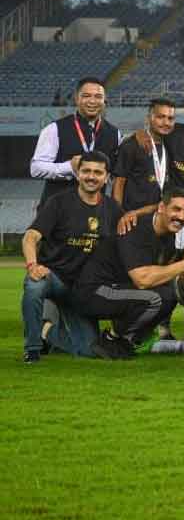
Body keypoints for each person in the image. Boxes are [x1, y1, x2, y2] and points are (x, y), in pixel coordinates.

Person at [71, 188, 184, 359]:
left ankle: (130, 340)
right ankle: (111, 339)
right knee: (156, 298)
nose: (181, 217)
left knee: (169, 295)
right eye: (176, 209)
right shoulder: (134, 228)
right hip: (93, 291)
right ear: (161, 208)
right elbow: (142, 280)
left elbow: (156, 274)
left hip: (119, 289)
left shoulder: (168, 235)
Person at [21, 151, 121, 363]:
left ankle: (47, 331)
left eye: (97, 172)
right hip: (54, 278)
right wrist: (32, 265)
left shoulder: (113, 209)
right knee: (34, 285)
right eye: (86, 171)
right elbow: (31, 236)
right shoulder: (58, 202)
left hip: (83, 289)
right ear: (77, 174)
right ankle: (32, 349)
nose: (91, 176)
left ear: (106, 177)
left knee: (88, 351)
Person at [32, 76, 121, 208]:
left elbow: (115, 173)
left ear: (104, 101)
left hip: (94, 210)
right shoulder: (55, 129)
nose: (92, 101)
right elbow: (36, 168)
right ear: (77, 99)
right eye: (86, 96)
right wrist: (69, 167)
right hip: (57, 210)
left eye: (98, 96)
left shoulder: (114, 133)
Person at [112, 98, 176, 212]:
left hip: (159, 216)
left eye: (170, 118)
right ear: (148, 119)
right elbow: (119, 183)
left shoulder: (171, 144)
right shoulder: (132, 145)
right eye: (160, 117)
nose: (166, 123)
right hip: (132, 216)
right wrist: (117, 214)